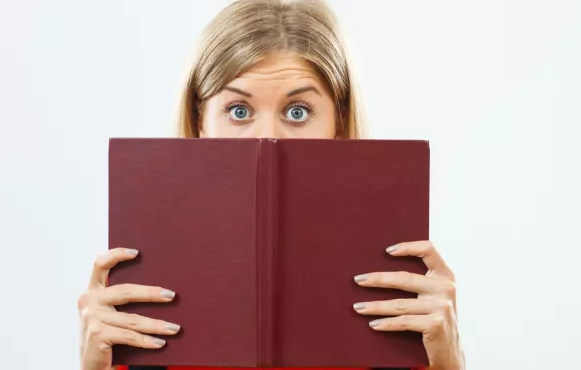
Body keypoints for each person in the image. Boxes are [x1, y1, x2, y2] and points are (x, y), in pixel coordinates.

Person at [77, 1, 465, 369]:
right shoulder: (147, 264)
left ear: (339, 123)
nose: (266, 138)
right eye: (239, 111)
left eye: (298, 112)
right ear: (200, 121)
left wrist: (448, 361)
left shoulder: (395, 270)